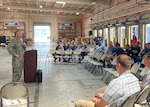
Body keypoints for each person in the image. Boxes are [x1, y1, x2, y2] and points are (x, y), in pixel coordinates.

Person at [75, 54, 141, 107]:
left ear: (118, 65)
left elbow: (101, 104)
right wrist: (103, 96)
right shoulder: (135, 80)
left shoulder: (116, 82)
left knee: (79, 103)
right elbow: (122, 94)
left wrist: (95, 100)